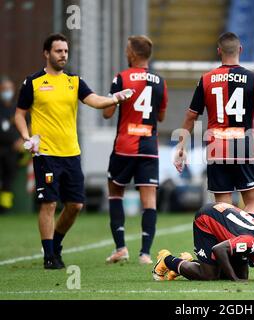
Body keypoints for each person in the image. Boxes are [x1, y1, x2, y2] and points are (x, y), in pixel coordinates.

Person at [15, 33, 134, 270]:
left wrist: (116, 99)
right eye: (59, 51)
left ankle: (55, 245)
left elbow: (95, 101)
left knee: (76, 205)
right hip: (45, 154)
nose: (63, 55)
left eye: (66, 51)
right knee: (48, 204)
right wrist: (27, 137)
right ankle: (49, 256)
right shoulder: (33, 82)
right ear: (46, 53)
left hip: (71, 154)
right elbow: (20, 114)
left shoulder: (74, 81)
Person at [174, 32, 254, 219]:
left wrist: (181, 146)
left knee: (223, 207)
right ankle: (247, 241)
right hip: (243, 144)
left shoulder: (205, 80)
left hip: (216, 146)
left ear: (219, 51)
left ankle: (230, 244)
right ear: (240, 50)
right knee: (253, 201)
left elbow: (191, 116)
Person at [102, 35, 168, 265]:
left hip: (125, 147)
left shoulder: (121, 78)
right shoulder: (160, 81)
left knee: (115, 193)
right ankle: (145, 254)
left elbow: (107, 112)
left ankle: (121, 248)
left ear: (133, 53)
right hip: (149, 147)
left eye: (127, 49)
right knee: (149, 201)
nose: (125, 52)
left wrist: (116, 100)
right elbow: (160, 115)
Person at [152, 202, 254, 281]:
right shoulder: (250, 243)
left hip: (227, 216)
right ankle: (167, 260)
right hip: (207, 218)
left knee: (241, 276)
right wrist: (233, 278)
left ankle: (189, 262)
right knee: (209, 275)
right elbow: (219, 249)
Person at [0, 76, 22, 213]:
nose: (7, 92)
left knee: (8, 181)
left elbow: (29, 126)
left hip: (12, 152)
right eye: (4, 89)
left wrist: (21, 140)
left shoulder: (17, 109)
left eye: (9, 89)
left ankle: (5, 209)